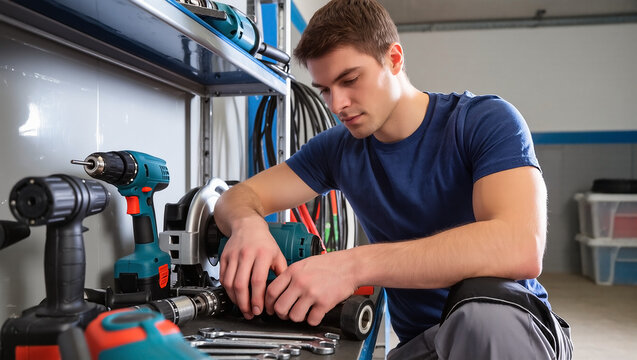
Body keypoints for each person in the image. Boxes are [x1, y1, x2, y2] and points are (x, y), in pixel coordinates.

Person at [213, 0, 573, 358]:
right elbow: (240, 196)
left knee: (480, 319)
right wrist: (248, 226)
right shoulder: (338, 149)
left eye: (350, 79)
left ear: (394, 58)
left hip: (507, 325)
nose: (337, 105)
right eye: (324, 89)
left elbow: (519, 246)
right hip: (422, 344)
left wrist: (351, 266)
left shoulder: (483, 122)